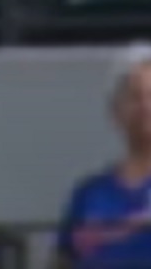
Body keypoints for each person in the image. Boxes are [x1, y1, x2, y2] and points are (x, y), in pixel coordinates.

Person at [54, 43, 151, 268]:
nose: (145, 106)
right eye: (135, 97)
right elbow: (62, 260)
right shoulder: (88, 194)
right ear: (116, 110)